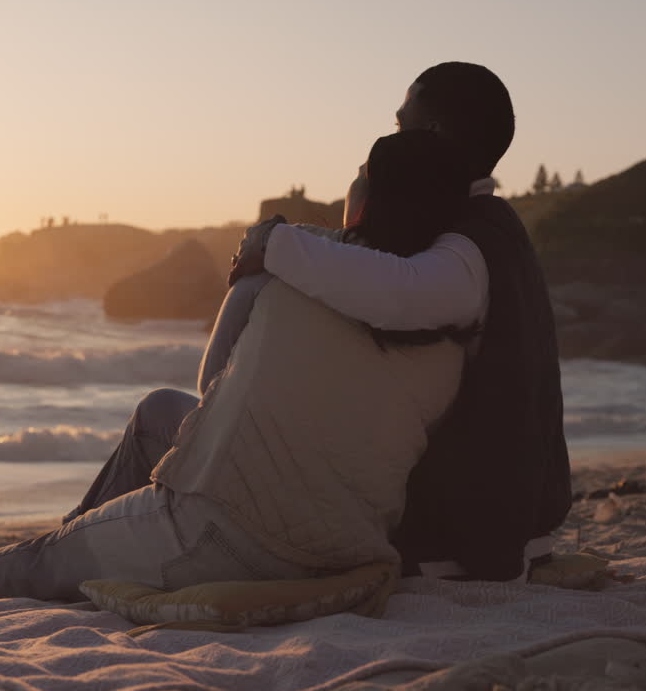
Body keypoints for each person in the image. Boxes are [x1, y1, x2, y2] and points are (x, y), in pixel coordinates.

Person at [0, 130, 474, 603]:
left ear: (368, 200)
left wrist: (254, 272)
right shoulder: (455, 325)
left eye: (358, 180)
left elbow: (213, 385)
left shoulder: (294, 261)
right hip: (348, 547)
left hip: (219, 534)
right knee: (158, 411)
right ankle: (80, 529)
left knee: (35, 564)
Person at [231, 62, 570, 581]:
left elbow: (399, 293)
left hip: (458, 528)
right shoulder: (486, 230)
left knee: (168, 420)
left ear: (430, 132)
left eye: (398, 123)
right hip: (496, 513)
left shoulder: (470, 246)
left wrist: (272, 245)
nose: (389, 138)